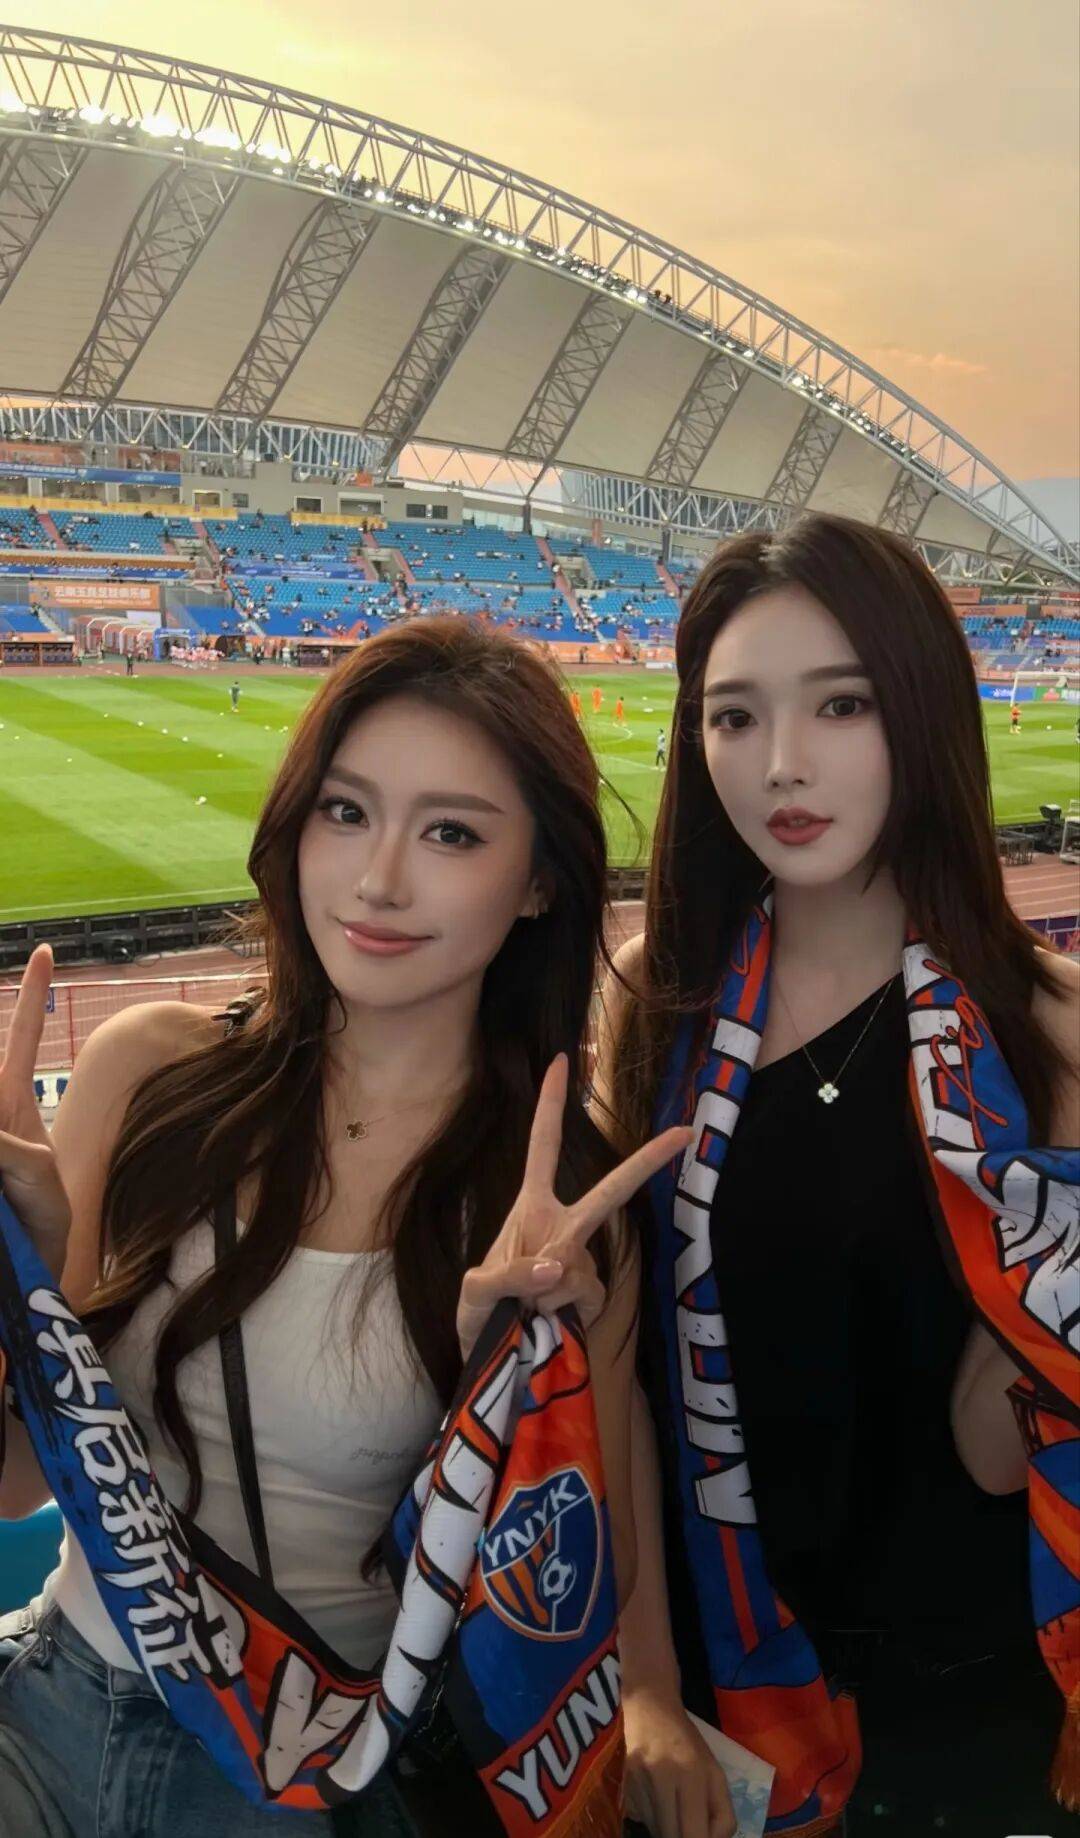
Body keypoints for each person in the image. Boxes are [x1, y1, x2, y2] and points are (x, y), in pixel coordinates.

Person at [0, 619, 689, 1838]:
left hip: (295, 1773)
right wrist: (28, 1279)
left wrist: (509, 1383)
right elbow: (14, 1486)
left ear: (540, 881)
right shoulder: (148, 1072)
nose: (377, 879)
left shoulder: (561, 1205)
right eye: (346, 810)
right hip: (51, 1698)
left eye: (452, 832)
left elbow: (582, 1586)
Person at [595, 515, 1078, 1838]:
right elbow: (618, 1371)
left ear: (921, 713)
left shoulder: (1044, 1029)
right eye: (734, 716)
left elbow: (995, 1450)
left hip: (972, 1701)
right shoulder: (655, 1000)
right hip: (714, 1699)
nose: (782, 764)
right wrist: (643, 1681)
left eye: (842, 704)